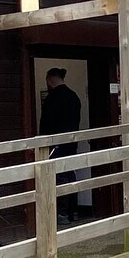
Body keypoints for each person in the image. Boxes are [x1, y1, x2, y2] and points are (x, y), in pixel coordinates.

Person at [38, 67, 82, 224]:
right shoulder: (74, 97)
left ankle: (61, 213)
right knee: (70, 174)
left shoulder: (52, 99)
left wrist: (42, 142)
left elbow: (46, 124)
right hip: (71, 142)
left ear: (50, 80)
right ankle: (74, 211)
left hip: (55, 144)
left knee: (59, 177)